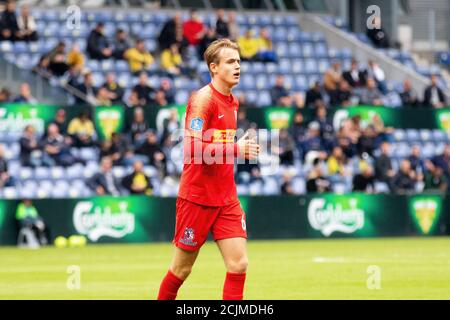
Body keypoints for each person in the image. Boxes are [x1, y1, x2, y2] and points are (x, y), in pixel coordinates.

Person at [157, 39, 260, 301]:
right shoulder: (202, 100)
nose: (237, 66)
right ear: (214, 67)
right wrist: (237, 150)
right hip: (197, 198)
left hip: (226, 198)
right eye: (230, 62)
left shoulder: (233, 102)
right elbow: (192, 149)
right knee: (182, 269)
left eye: (238, 61)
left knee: (239, 264)